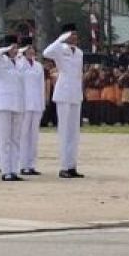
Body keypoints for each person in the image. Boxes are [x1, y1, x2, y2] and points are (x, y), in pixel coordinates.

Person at [43, 23, 85, 178]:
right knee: (64, 131)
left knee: (74, 132)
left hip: (75, 93)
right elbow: (46, 52)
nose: (74, 37)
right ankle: (63, 166)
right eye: (71, 34)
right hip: (63, 91)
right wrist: (60, 40)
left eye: (75, 34)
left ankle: (72, 165)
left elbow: (79, 73)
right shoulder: (59, 49)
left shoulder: (79, 52)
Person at [0, 35, 25, 181]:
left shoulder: (21, 61)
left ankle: (14, 169)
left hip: (18, 103)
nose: (15, 50)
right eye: (12, 47)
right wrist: (1, 51)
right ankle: (6, 171)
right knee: (5, 138)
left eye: (16, 47)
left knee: (15, 139)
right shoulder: (0, 61)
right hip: (4, 104)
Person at [17, 39, 44, 176]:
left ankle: (31, 164)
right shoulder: (20, 64)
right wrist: (20, 55)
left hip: (36, 103)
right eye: (28, 49)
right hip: (24, 103)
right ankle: (23, 165)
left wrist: (42, 104)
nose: (31, 51)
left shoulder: (38, 65)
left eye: (32, 49)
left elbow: (41, 86)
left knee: (34, 136)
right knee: (24, 135)